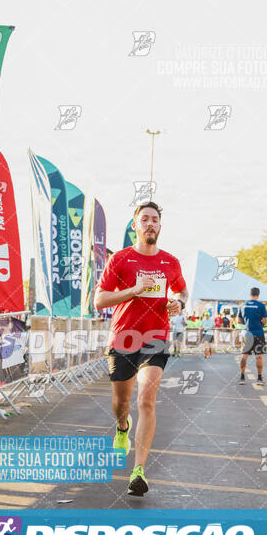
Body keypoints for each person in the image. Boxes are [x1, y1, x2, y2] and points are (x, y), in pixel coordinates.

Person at [94, 202, 188, 496]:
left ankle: (139, 471)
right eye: (144, 219)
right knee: (121, 403)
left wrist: (180, 302)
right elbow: (100, 300)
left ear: (160, 226)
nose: (150, 224)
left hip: (156, 336)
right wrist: (132, 291)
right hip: (123, 337)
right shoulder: (120, 259)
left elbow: (182, 289)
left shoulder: (171, 262)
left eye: (155, 220)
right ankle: (122, 427)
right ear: (135, 225)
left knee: (147, 398)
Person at [237, 287, 267, 386]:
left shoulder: (243, 305)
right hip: (258, 333)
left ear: (250, 294)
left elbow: (238, 321)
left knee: (244, 355)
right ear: (258, 294)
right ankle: (259, 378)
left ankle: (242, 377)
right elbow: (264, 321)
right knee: (259, 356)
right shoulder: (261, 306)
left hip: (246, 333)